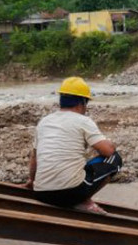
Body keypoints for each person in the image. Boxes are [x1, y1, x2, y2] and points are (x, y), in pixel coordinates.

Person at [25, 77, 122, 214]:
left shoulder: (44, 122)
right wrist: (110, 143)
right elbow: (108, 151)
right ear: (82, 102)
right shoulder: (83, 121)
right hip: (71, 194)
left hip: (42, 194)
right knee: (115, 159)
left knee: (82, 164)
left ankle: (79, 195)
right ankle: (84, 200)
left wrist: (32, 181)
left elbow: (34, 158)